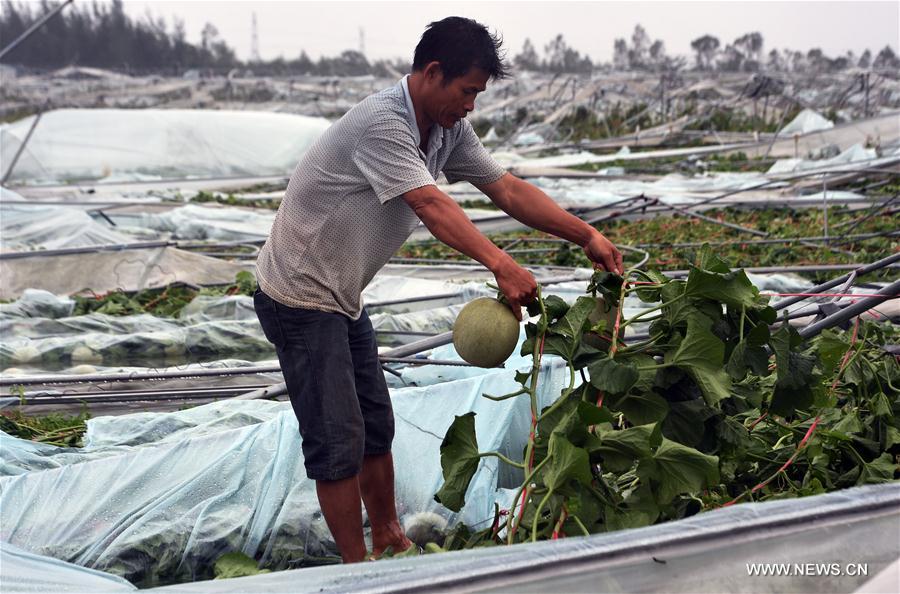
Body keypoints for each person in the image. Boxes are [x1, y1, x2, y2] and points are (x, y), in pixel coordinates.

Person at [254, 16, 623, 564]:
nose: (471, 104)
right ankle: (361, 574)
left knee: (375, 423)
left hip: (342, 295)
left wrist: (585, 233)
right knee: (336, 442)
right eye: (467, 90)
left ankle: (389, 538)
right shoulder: (384, 124)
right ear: (432, 73)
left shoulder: (447, 129)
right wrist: (501, 264)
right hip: (300, 297)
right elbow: (429, 204)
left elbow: (508, 189)